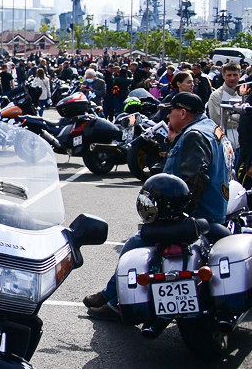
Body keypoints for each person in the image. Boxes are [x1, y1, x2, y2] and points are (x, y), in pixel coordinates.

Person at [84, 92, 230, 320]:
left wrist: (178, 215)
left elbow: (194, 178)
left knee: (137, 242)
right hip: (213, 212)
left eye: (170, 111)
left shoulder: (194, 136)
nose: (167, 115)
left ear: (182, 113)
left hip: (196, 215)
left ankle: (113, 300)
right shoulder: (210, 128)